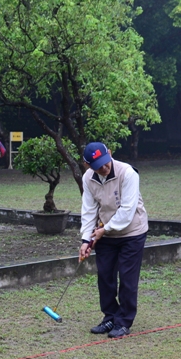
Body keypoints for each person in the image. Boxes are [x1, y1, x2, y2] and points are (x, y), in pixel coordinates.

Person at [79, 141, 148, 338]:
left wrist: (103, 230)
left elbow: (127, 211)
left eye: (105, 162)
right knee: (105, 276)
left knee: (127, 278)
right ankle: (110, 317)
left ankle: (124, 321)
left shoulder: (128, 173)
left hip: (132, 232)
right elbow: (89, 210)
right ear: (87, 165)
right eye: (97, 165)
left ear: (109, 153)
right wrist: (86, 240)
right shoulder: (88, 178)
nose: (104, 167)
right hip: (106, 232)